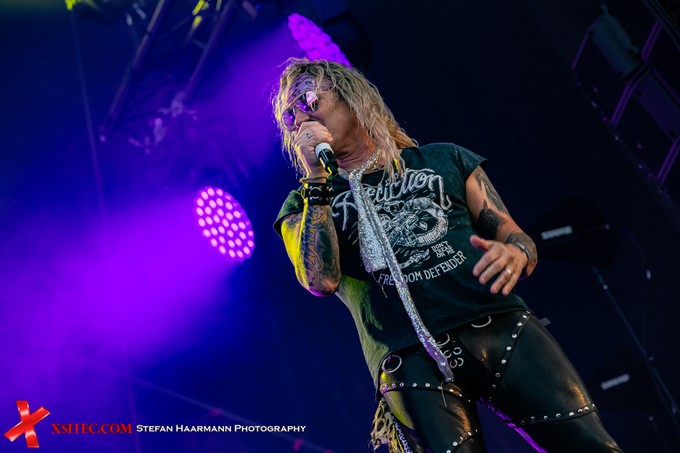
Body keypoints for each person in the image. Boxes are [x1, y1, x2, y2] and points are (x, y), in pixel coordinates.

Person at [272, 58, 622, 452]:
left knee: (591, 446)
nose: (300, 118)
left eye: (308, 101)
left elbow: (519, 239)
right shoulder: (304, 204)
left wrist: (515, 253)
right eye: (289, 115)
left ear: (351, 98)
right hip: (409, 359)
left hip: (497, 324)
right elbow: (320, 280)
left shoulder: (444, 159)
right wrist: (316, 181)